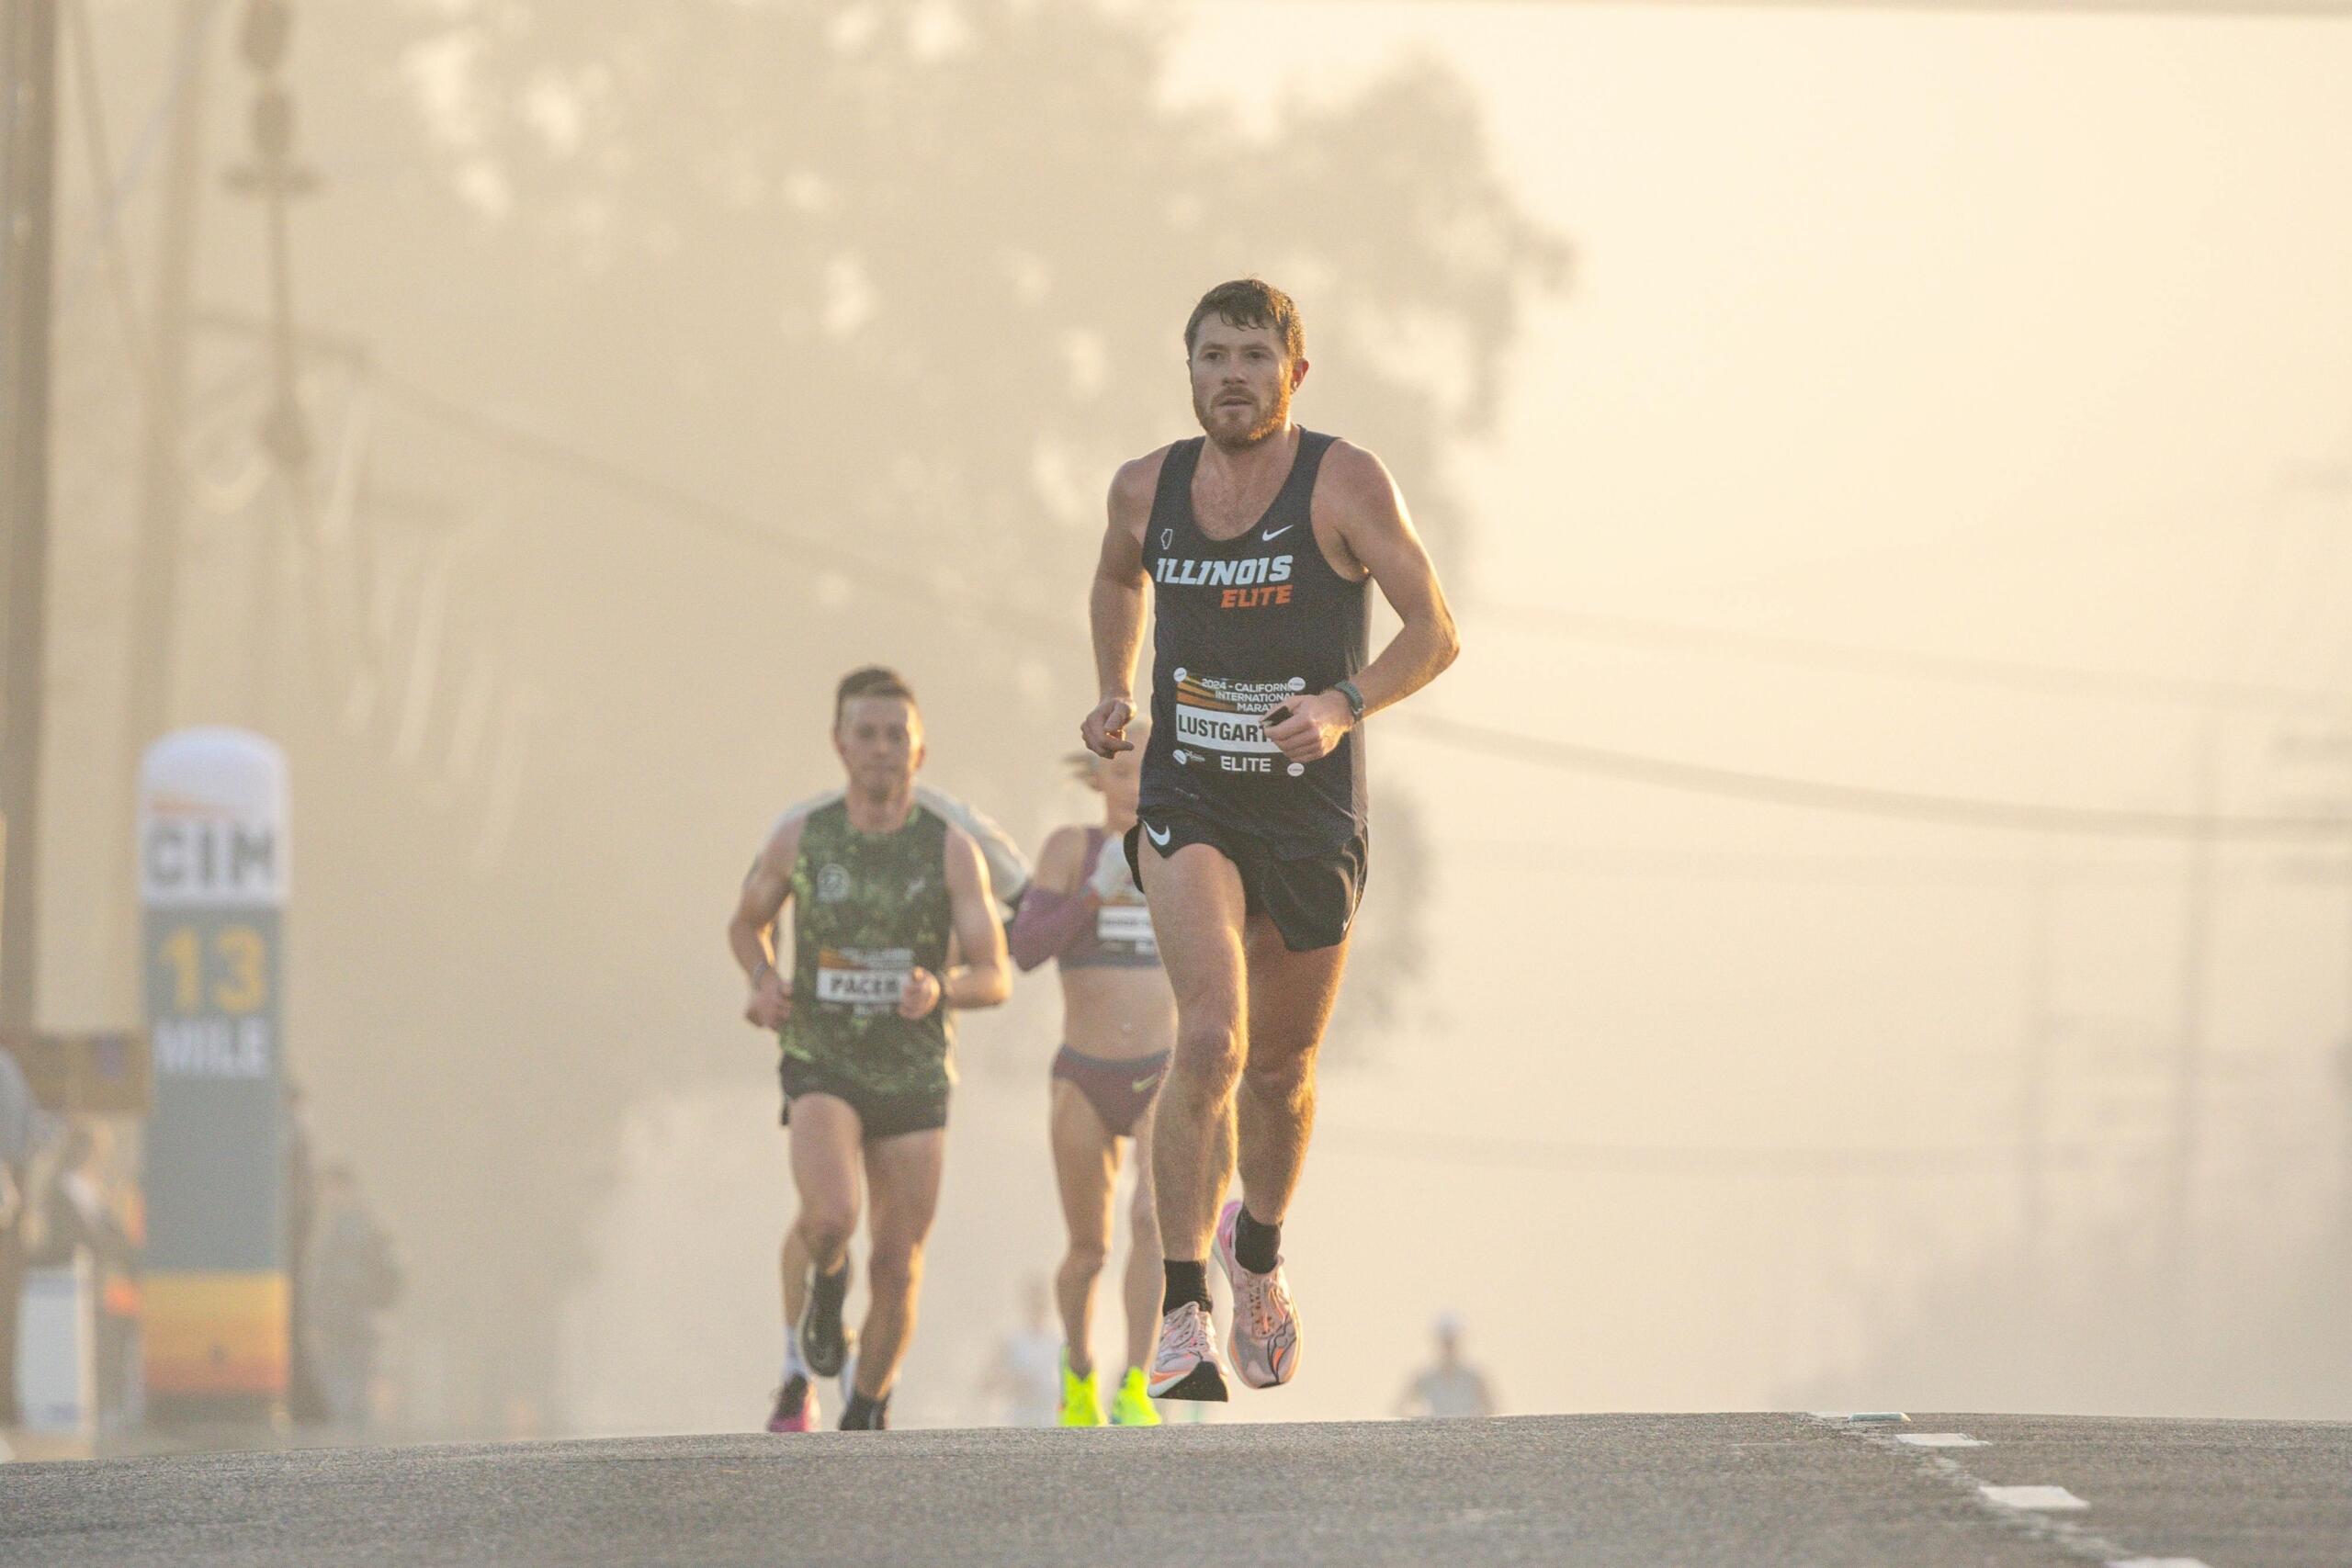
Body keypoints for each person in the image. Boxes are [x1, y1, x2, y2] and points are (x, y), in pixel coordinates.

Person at [1080, 278, 1460, 1400]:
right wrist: (1111, 687)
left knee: (1284, 1070)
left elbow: (1434, 629)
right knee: (1210, 1039)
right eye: (1211, 356)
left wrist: (1343, 704)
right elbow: (1113, 574)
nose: (1231, 376)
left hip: (1308, 812)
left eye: (1253, 356)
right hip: (1189, 793)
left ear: (1296, 372)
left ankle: (1257, 1258)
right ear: (1187, 370)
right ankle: (1184, 1308)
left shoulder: (1342, 481)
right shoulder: (1145, 488)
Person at [730, 666, 1012, 1431]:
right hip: (822, 1054)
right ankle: (822, 1299)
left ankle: (866, 1407)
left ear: (919, 752)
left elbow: (995, 974)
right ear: (839, 743)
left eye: (897, 736)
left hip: (916, 1069)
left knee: (898, 1261)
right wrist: (763, 979)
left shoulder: (950, 850)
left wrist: (941, 987)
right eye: (867, 733)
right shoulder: (804, 834)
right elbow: (746, 921)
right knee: (829, 1217)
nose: (882, 749)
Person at [1007, 736, 1170, 1427]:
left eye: (1149, 770)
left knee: (1152, 1221)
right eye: (1123, 771)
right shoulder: (1070, 848)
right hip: (1084, 1071)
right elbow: (1024, 947)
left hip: (1162, 1070)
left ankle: (1136, 1381)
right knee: (1089, 1249)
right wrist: (1091, 895)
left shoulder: (1185, 849)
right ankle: (1078, 1369)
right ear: (1100, 777)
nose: (1135, 784)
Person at [301, 1163, 400, 1430]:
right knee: (355, 1379)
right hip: (358, 1317)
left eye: (330, 1188)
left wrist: (317, 1316)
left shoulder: (344, 1226)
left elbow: (330, 1278)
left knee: (343, 1379)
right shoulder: (367, 1221)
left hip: (345, 1316)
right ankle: (356, 1436)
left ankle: (345, 1436)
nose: (325, 1195)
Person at [1395, 1313, 1498, 1419]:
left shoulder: (1475, 1376)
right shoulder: (1424, 1377)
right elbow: (1399, 1408)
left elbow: (1492, 1409)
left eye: (1451, 1342)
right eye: (1445, 1342)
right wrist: (1420, 1422)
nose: (1448, 1347)